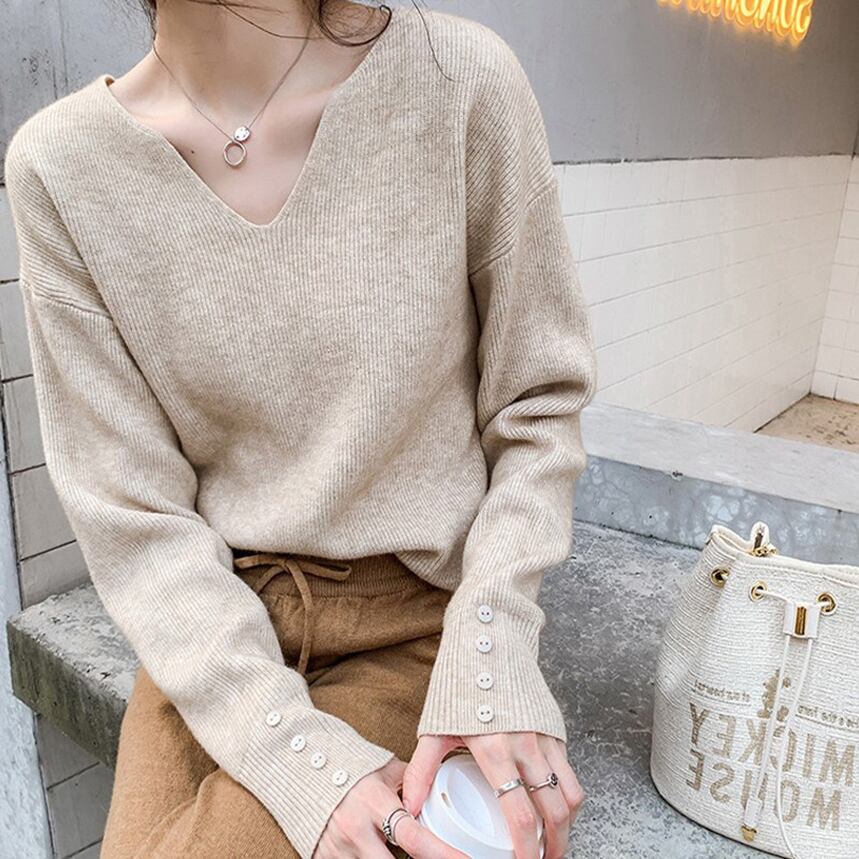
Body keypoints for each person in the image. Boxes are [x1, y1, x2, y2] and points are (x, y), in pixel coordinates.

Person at [4, 1, 597, 856]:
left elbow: (536, 404)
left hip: (417, 620)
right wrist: (299, 759)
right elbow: (130, 516)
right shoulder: (62, 166)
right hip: (216, 630)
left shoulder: (456, 80)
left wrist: (493, 645)